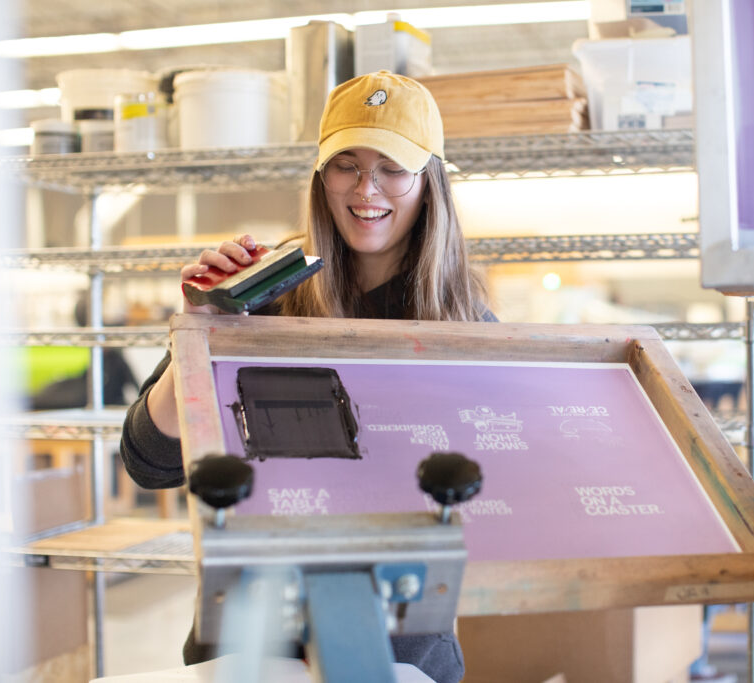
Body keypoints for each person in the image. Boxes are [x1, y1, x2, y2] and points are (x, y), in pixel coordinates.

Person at [119, 70, 495, 683]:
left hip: (403, 648)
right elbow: (149, 462)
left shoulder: (468, 324)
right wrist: (200, 330)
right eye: (345, 163)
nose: (365, 187)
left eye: (392, 167)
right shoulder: (263, 291)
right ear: (320, 177)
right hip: (254, 633)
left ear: (430, 182)